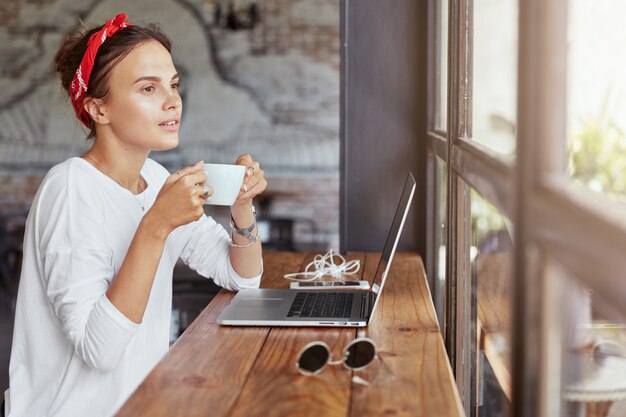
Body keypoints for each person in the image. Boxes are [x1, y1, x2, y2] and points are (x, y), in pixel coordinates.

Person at [6, 13, 265, 417]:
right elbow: (99, 349)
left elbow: (242, 277)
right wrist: (157, 225)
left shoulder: (154, 178)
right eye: (148, 87)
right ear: (98, 109)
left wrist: (241, 206)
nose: (172, 100)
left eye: (173, 84)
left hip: (142, 405)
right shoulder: (71, 188)